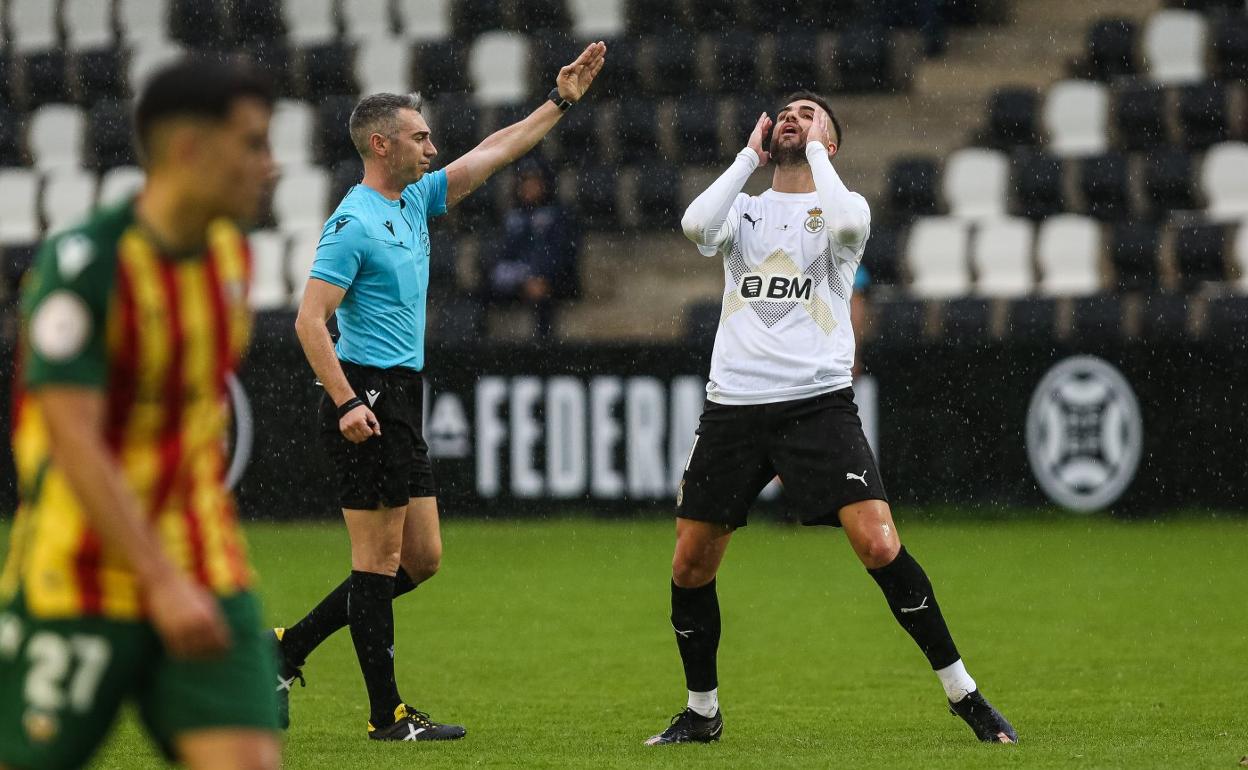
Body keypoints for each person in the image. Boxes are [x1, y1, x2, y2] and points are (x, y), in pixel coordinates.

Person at [645, 91, 1016, 746]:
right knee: (689, 565)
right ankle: (702, 712)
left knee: (877, 542)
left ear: (831, 143)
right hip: (733, 405)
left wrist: (815, 150)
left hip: (815, 402)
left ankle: (964, 693)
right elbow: (695, 227)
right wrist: (745, 158)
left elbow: (846, 229)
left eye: (809, 114)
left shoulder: (843, 210)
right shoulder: (746, 209)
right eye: (785, 111)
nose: (793, 116)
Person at [273, 42, 606, 742]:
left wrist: (561, 100)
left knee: (421, 559)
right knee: (378, 562)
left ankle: (286, 648)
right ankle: (385, 715)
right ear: (379, 142)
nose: (431, 146)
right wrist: (345, 403)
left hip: (400, 394)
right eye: (418, 136)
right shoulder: (353, 222)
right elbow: (309, 321)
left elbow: (497, 152)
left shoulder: (415, 199)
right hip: (366, 394)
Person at [0, 57, 281, 770]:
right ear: (189, 149)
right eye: (251, 144)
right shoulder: (85, 264)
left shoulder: (231, 255)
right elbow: (72, 439)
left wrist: (181, 577)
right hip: (77, 579)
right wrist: (159, 582)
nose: (270, 165)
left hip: (207, 572)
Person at [486, 156, 580, 339]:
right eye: (525, 182)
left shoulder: (560, 215)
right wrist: (521, 280)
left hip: (554, 280)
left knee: (544, 299)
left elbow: (563, 254)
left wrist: (544, 278)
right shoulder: (512, 218)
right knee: (482, 292)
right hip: (520, 279)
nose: (529, 187)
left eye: (534, 182)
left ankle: (542, 353)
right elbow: (502, 255)